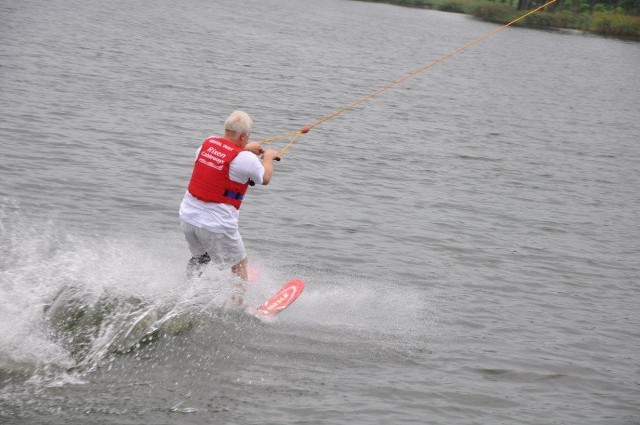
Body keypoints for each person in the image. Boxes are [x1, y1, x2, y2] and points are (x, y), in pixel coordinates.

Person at [179, 110, 279, 307]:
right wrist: (268, 158)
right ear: (243, 136)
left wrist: (246, 148)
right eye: (247, 137)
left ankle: (186, 293)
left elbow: (225, 157)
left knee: (200, 257)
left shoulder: (206, 144)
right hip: (216, 223)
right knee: (240, 264)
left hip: (188, 217)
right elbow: (265, 178)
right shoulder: (246, 160)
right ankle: (236, 307)